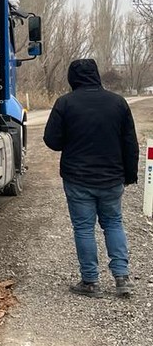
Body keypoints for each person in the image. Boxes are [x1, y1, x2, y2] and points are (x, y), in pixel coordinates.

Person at [43, 59, 139, 298]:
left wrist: (72, 139)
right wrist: (130, 175)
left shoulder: (65, 103)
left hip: (78, 179)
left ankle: (90, 281)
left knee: (84, 229)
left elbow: (52, 141)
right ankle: (122, 277)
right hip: (112, 178)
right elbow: (130, 144)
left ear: (72, 78)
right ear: (96, 75)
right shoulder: (118, 103)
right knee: (114, 223)